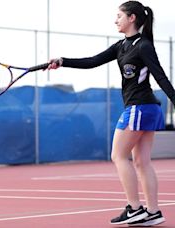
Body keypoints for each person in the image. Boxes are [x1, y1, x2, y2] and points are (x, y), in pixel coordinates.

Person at [46, 1, 175, 226]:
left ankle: (134, 208)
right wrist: (63, 61)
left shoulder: (143, 45)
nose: (115, 20)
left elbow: (161, 77)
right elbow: (92, 62)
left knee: (118, 155)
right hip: (146, 108)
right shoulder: (121, 46)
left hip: (140, 107)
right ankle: (153, 212)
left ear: (132, 18)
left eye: (119, 16)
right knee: (142, 161)